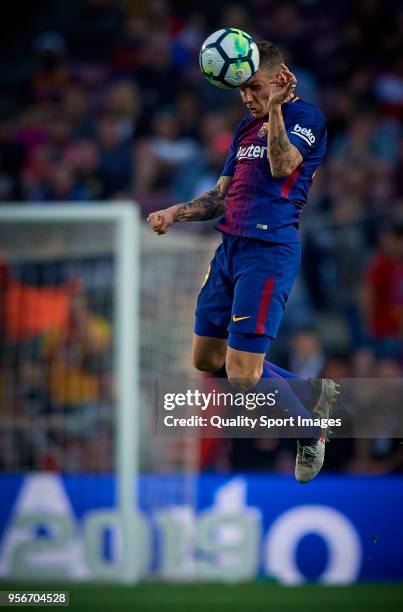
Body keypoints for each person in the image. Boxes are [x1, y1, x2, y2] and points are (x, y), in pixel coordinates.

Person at [147, 41, 339, 483]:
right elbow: (219, 195)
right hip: (229, 249)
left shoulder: (307, 119)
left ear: (279, 79)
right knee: (205, 359)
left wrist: (274, 111)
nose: (248, 98)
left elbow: (282, 165)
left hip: (268, 252)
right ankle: (309, 391)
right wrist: (174, 213)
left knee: (243, 376)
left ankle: (311, 431)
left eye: (255, 88)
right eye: (242, 92)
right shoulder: (243, 130)